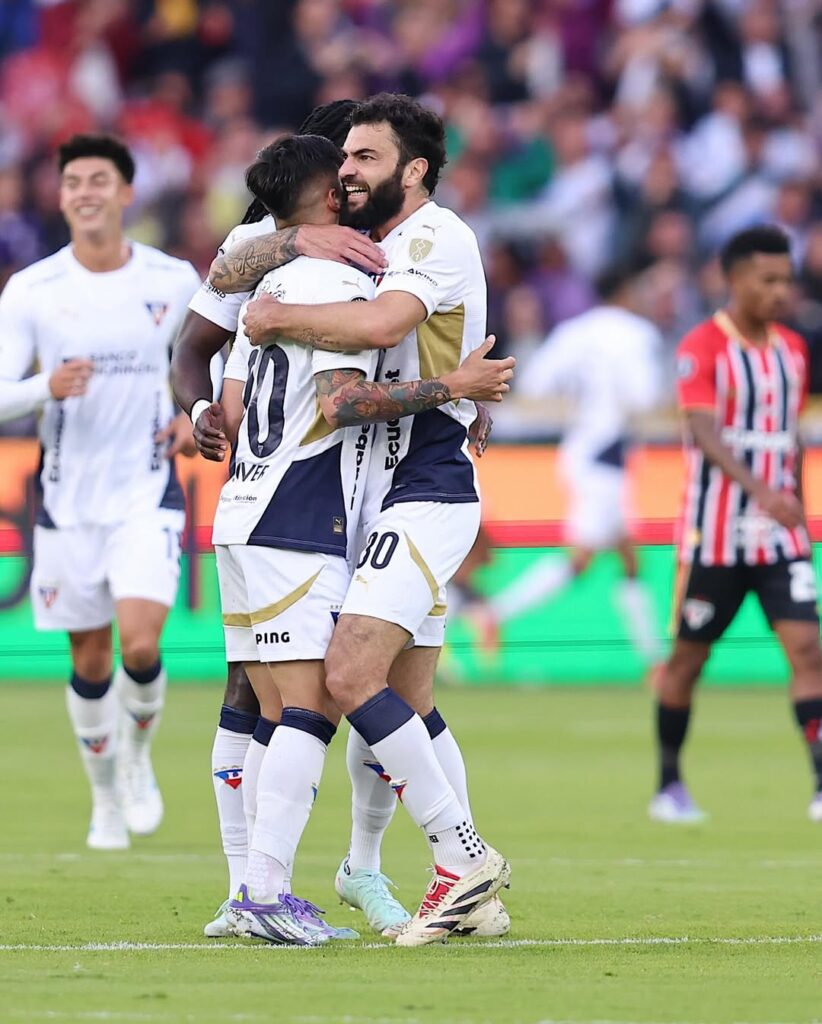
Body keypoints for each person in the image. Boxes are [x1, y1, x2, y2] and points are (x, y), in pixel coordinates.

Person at [215, 93, 513, 946]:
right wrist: (294, 244)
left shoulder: (433, 235)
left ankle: (458, 858)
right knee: (403, 696)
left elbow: (381, 326)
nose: (347, 170)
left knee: (346, 675)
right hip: (367, 489)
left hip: (424, 480)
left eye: (365, 157)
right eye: (342, 158)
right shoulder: (348, 243)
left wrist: (276, 314)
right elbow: (225, 273)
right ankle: (442, 887)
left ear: (414, 170)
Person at [171, 98, 386, 938]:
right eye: (348, 166)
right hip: (297, 508)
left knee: (273, 705)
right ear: (330, 184)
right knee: (308, 705)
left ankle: (250, 894)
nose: (356, 179)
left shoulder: (271, 277)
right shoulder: (330, 274)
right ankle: (261, 891)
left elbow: (227, 353)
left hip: (244, 505)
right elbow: (340, 401)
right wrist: (456, 388)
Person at [0, 134, 201, 849]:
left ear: (126, 193)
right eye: (73, 182)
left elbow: (210, 363)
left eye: (98, 180)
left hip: (145, 492)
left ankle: (138, 760)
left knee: (140, 645)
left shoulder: (173, 280)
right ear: (60, 198)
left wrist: (196, 415)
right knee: (89, 659)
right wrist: (44, 387)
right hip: (67, 503)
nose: (85, 192)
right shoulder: (33, 290)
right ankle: (105, 796)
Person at [650, 225, 822, 824]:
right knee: (688, 662)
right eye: (767, 280)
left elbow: (790, 438)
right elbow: (702, 431)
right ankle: (669, 784)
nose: (780, 292)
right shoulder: (703, 345)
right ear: (735, 279)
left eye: (786, 281)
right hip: (715, 537)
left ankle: (820, 784)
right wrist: (762, 492)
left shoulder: (793, 350)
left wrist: (797, 507)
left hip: (780, 538)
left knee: (808, 650)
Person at [461, 268, 664, 665]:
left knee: (628, 558)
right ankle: (494, 613)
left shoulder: (574, 331)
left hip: (579, 448)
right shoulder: (637, 334)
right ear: (626, 290)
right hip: (607, 454)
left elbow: (536, 382)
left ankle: (654, 659)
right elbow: (643, 397)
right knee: (580, 560)